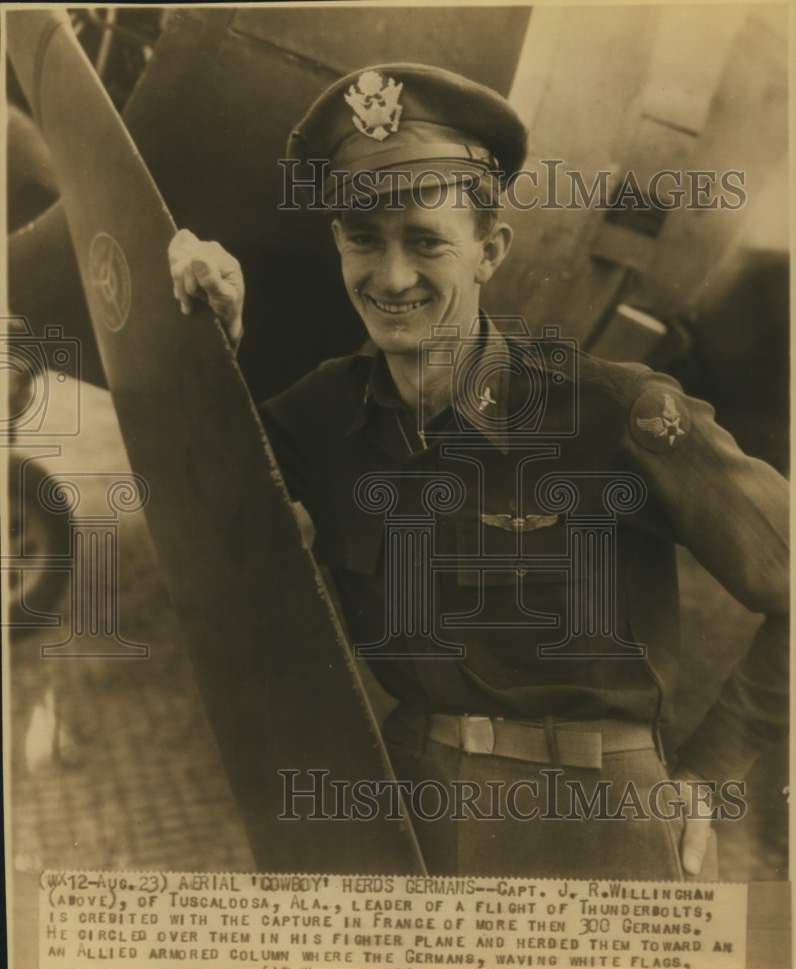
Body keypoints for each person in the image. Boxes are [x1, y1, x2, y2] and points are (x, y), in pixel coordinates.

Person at [167, 63, 788, 881]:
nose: (392, 277)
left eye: (427, 241)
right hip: (408, 819)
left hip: (599, 827)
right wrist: (203, 339)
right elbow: (208, 529)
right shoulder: (317, 418)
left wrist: (710, 773)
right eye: (364, 239)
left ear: (490, 251)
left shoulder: (612, 411)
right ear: (338, 243)